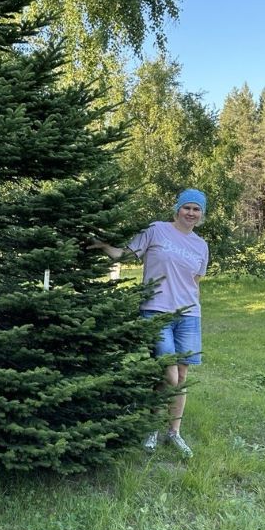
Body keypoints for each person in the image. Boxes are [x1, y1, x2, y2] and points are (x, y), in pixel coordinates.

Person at [90, 188, 209, 458]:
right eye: (187, 207)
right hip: (156, 310)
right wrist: (104, 246)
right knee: (170, 374)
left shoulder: (201, 246)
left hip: (189, 315)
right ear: (177, 208)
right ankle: (154, 427)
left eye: (196, 209)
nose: (191, 213)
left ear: (201, 214)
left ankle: (171, 432)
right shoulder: (156, 230)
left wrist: (195, 309)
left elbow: (195, 283)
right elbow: (127, 254)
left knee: (181, 376)